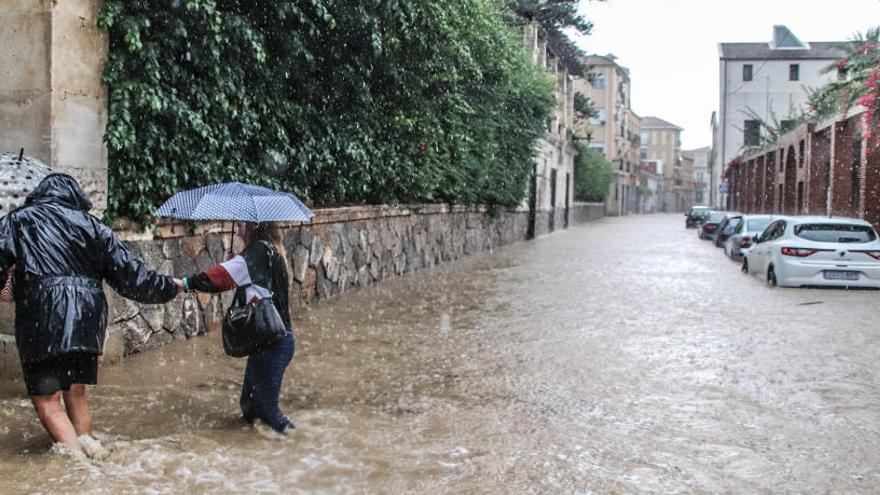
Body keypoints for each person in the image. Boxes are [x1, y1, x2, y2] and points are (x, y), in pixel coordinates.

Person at [0, 174, 182, 457]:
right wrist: (168, 286)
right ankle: (89, 444)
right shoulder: (94, 227)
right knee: (75, 390)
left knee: (48, 400)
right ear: (77, 197)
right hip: (87, 321)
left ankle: (82, 470)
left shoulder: (19, 220)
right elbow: (130, 275)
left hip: (43, 318)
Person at [181, 222, 295, 434]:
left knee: (269, 412)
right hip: (269, 340)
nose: (238, 226)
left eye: (242, 223)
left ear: (254, 227)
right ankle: (255, 452)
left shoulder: (258, 252)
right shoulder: (269, 250)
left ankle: (298, 443)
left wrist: (185, 283)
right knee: (250, 407)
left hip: (275, 343)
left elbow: (219, 278)